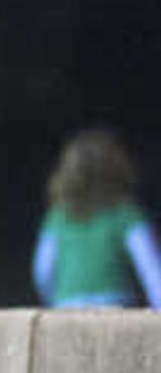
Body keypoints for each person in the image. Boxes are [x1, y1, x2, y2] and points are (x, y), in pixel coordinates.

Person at [33, 129, 161, 308]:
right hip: (114, 305)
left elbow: (43, 272)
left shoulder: (58, 217)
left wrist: (55, 303)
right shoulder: (126, 215)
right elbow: (151, 270)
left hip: (68, 307)